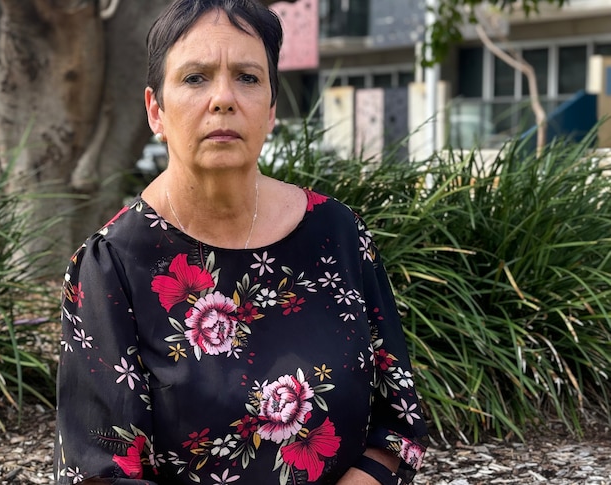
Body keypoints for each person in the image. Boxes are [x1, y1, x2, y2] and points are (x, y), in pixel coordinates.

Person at [54, 0, 429, 483]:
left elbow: (397, 426)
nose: (223, 98)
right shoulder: (112, 267)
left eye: (248, 78)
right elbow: (102, 472)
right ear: (156, 110)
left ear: (271, 109)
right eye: (195, 78)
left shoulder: (337, 233)